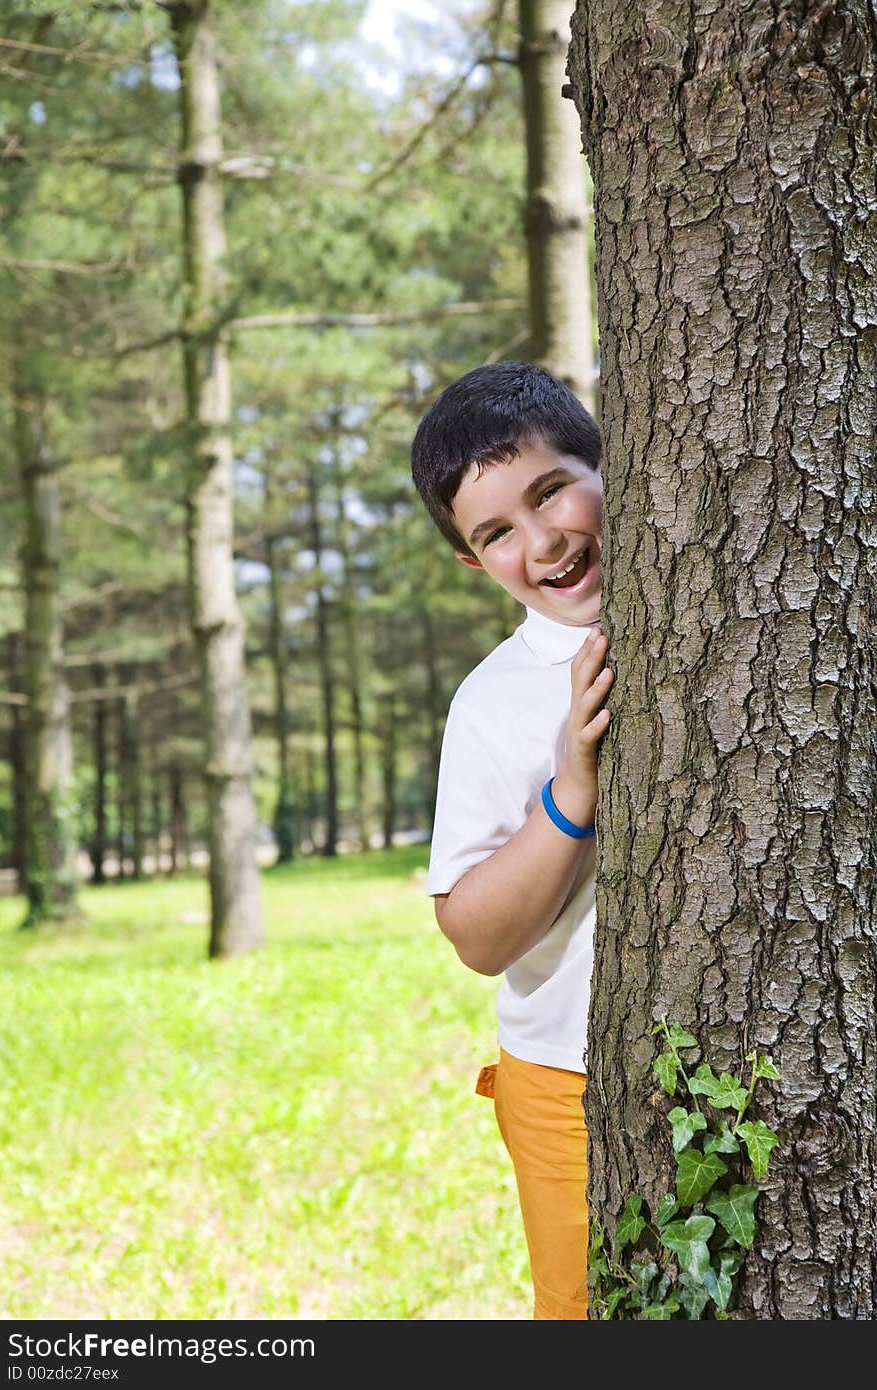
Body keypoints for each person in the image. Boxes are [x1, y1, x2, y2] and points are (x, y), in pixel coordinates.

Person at [410, 359, 613, 1321]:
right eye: (497, 532)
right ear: (471, 561)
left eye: (552, 491)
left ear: (612, 462)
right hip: (563, 1080)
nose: (544, 544)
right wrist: (570, 789)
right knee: (583, 1310)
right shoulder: (491, 702)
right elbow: (478, 937)